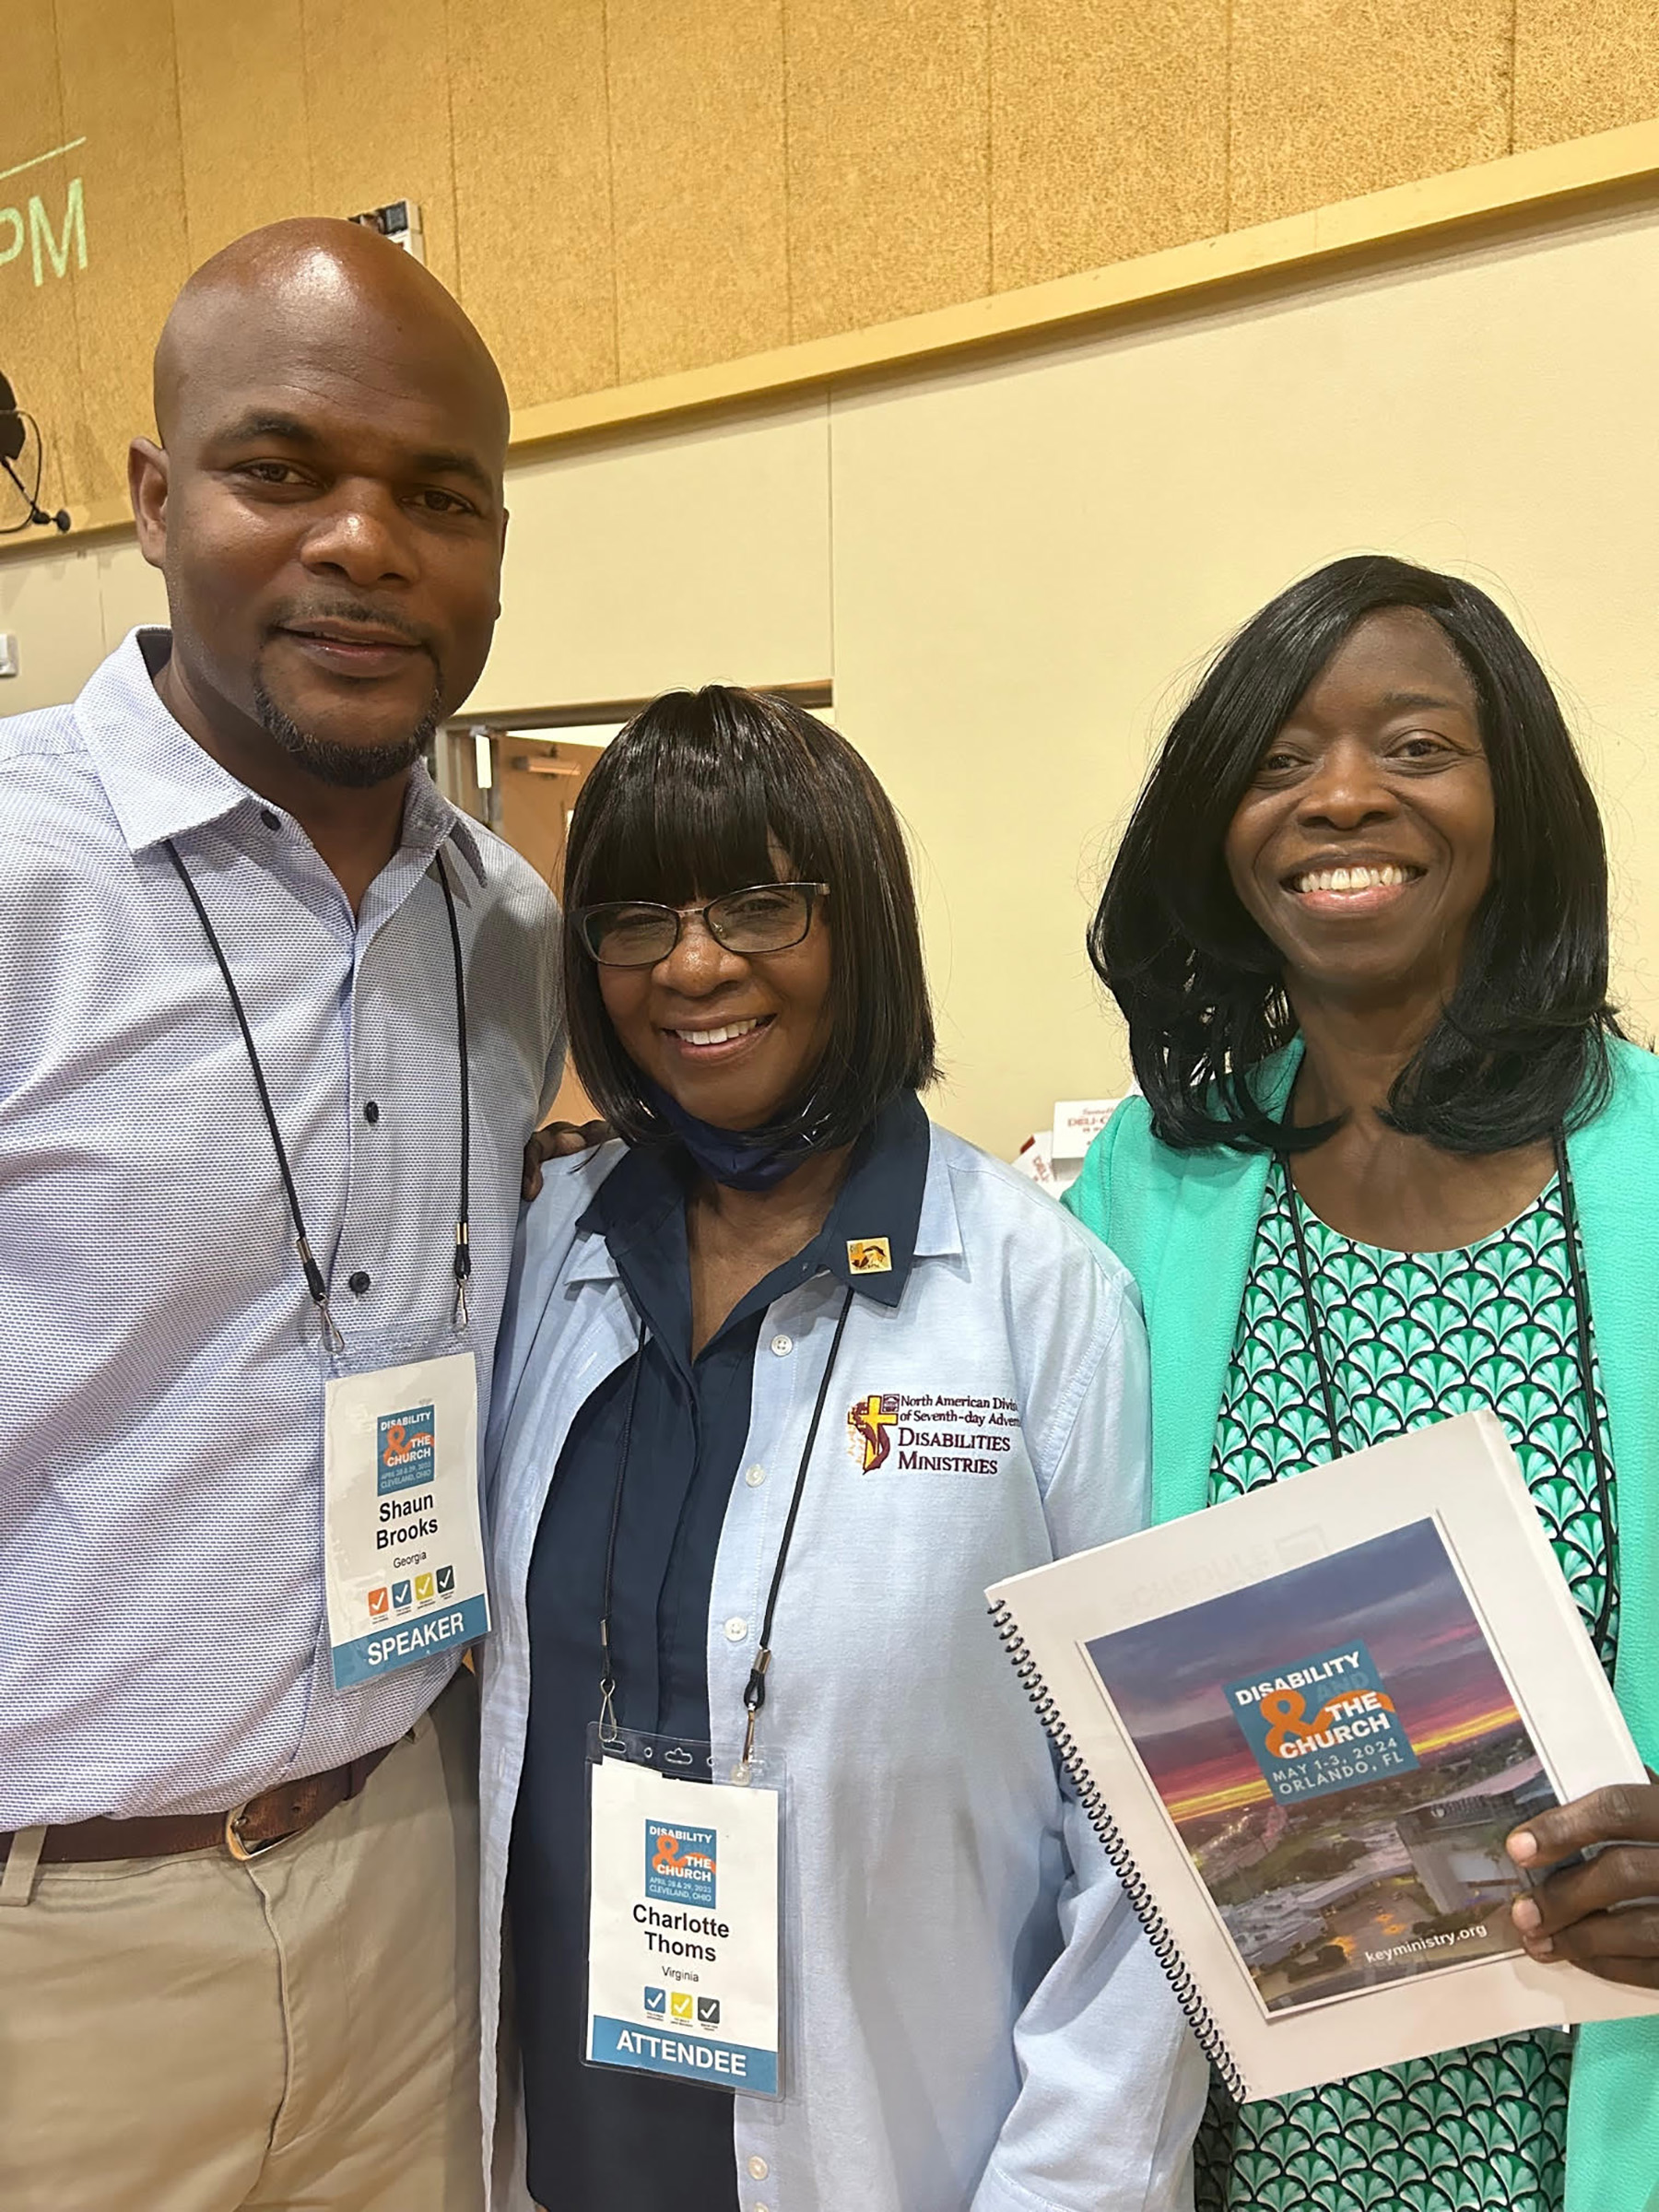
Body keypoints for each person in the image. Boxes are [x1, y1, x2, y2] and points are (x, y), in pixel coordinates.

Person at [0, 219, 566, 2211]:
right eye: (283, 470)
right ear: (155, 502)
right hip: (56, 1938)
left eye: (438, 499)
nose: (363, 544)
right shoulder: (15, 875)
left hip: (415, 1878)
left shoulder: (508, 929)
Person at [477, 685, 1206, 2212]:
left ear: (858, 923)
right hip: (574, 2135)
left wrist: (1067, 2187)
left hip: (904, 2144)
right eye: (635, 916)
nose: (691, 964)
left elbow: (1148, 1823)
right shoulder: (550, 1249)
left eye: (758, 903)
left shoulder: (1037, 1293)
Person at [1065, 554, 1659, 2212]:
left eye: (1414, 746)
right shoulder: (1150, 1190)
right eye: (1277, 762)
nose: (1340, 797)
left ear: (1514, 804)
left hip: (1596, 2110)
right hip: (1254, 2131)